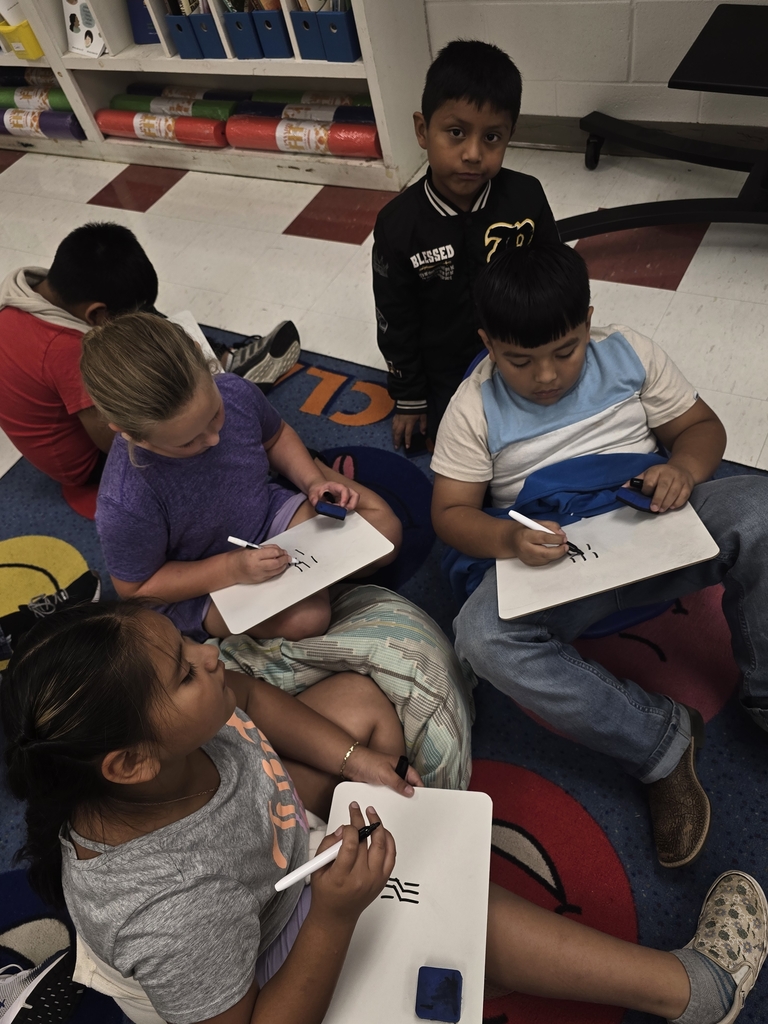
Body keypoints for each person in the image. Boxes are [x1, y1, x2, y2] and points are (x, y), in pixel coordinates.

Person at [2, 602, 765, 1024]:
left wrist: (351, 762)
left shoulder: (172, 730)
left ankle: (444, 943)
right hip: (259, 948)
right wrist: (333, 915)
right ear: (133, 762)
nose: (209, 652)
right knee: (457, 899)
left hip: (267, 849)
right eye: (183, 667)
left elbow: (248, 696)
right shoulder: (172, 914)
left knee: (364, 711)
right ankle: (693, 990)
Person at [431, 241, 768, 870]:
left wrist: (683, 470)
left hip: (651, 521)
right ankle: (659, 743)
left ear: (589, 320)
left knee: (762, 512)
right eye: (519, 361)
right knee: (479, 638)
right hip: (558, 561)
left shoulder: (629, 353)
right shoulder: (473, 404)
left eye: (566, 350)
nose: (548, 376)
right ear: (487, 342)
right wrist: (507, 540)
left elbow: (702, 429)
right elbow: (450, 514)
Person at [80, 312, 402, 644]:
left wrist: (312, 482)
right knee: (307, 619)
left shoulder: (234, 391)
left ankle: (322, 492)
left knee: (385, 534)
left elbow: (275, 437)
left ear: (202, 359)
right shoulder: (125, 501)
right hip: (203, 578)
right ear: (130, 433)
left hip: (269, 516)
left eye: (215, 415)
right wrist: (233, 569)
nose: (213, 440)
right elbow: (138, 589)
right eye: (187, 441)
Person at [0, 222, 300, 516]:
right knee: (203, 421)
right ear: (96, 314)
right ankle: (221, 374)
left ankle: (216, 364)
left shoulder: (25, 296)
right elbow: (118, 436)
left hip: (67, 421)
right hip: (88, 463)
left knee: (143, 320)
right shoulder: (69, 353)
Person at [372, 40, 559, 452]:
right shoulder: (397, 225)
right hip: (446, 370)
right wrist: (409, 397)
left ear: (511, 135)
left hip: (523, 354)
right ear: (423, 130)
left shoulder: (527, 196)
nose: (473, 154)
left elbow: (555, 281)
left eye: (492, 137)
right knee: (455, 449)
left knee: (552, 439)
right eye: (455, 133)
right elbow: (394, 319)